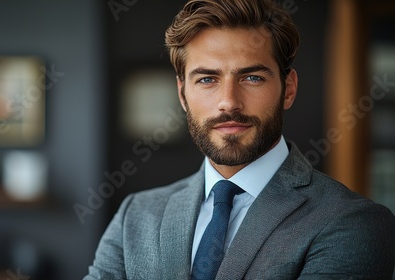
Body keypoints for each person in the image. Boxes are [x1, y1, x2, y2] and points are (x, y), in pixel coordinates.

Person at [85, 0, 395, 279]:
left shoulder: (353, 222)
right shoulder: (136, 215)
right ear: (182, 94)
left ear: (288, 89)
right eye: (207, 79)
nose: (228, 102)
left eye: (252, 78)